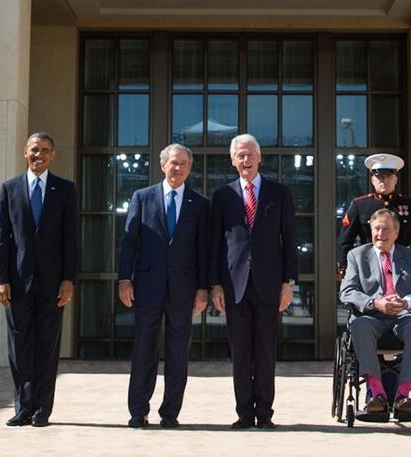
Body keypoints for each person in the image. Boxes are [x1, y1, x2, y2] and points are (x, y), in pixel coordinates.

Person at [117, 142, 210, 428]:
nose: (178, 168)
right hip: (147, 286)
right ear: (162, 165)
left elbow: (204, 251)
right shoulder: (142, 198)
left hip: (184, 289)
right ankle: (137, 411)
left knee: (177, 352)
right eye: (173, 162)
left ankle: (170, 413)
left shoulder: (200, 204)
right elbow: (129, 242)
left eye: (184, 163)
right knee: (144, 349)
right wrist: (124, 279)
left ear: (190, 168)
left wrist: (203, 289)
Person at [209, 133, 298, 430]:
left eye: (250, 155)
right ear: (233, 161)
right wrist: (215, 285)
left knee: (265, 352)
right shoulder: (223, 196)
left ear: (260, 158)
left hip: (269, 285)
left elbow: (291, 241)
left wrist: (289, 282)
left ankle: (265, 414)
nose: (246, 160)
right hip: (234, 286)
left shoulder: (279, 193)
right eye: (240, 156)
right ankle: (244, 413)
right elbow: (215, 245)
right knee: (240, 354)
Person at [0, 131, 78, 427]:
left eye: (44, 150)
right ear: (24, 152)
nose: (39, 155)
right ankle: (23, 407)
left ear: (53, 155)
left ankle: (42, 409)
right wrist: (0, 279)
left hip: (54, 284)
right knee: (19, 347)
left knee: (47, 346)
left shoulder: (65, 189)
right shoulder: (9, 188)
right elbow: (1, 239)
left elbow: (71, 238)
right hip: (17, 283)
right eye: (34, 149)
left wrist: (69, 279)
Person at [339, 209, 411, 417]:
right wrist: (375, 303)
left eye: (386, 229)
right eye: (376, 228)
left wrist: (407, 301)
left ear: (396, 233)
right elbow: (347, 292)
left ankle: (403, 395)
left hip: (404, 317)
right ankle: (377, 394)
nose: (380, 233)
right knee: (359, 324)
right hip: (372, 316)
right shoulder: (357, 256)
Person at [337, 152, 411, 277]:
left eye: (388, 176)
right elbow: (346, 240)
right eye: (380, 176)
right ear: (372, 180)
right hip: (368, 268)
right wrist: (345, 268)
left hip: (403, 267)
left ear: (395, 179)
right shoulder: (359, 205)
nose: (384, 180)